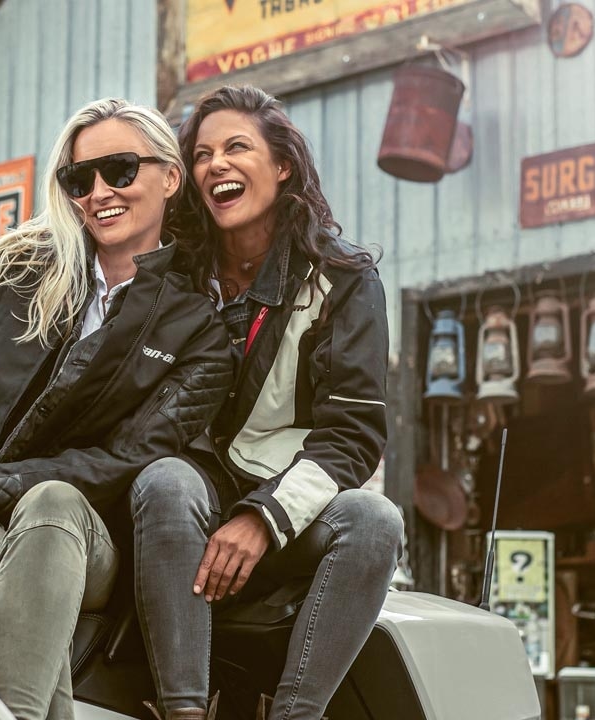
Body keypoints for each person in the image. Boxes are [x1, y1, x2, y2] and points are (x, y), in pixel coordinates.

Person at [0, 98, 233, 720]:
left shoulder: (199, 329)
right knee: (34, 609)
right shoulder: (14, 266)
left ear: (170, 178)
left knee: (54, 500)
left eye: (118, 170)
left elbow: (124, 463)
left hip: (81, 540)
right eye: (77, 179)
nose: (97, 192)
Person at [130, 85, 404, 720]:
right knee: (167, 480)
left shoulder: (346, 281)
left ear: (282, 167)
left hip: (284, 512)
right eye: (201, 155)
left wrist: (263, 518)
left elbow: (353, 434)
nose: (215, 164)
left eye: (235, 147)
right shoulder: (170, 273)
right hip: (176, 502)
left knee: (374, 521)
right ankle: (184, 713)